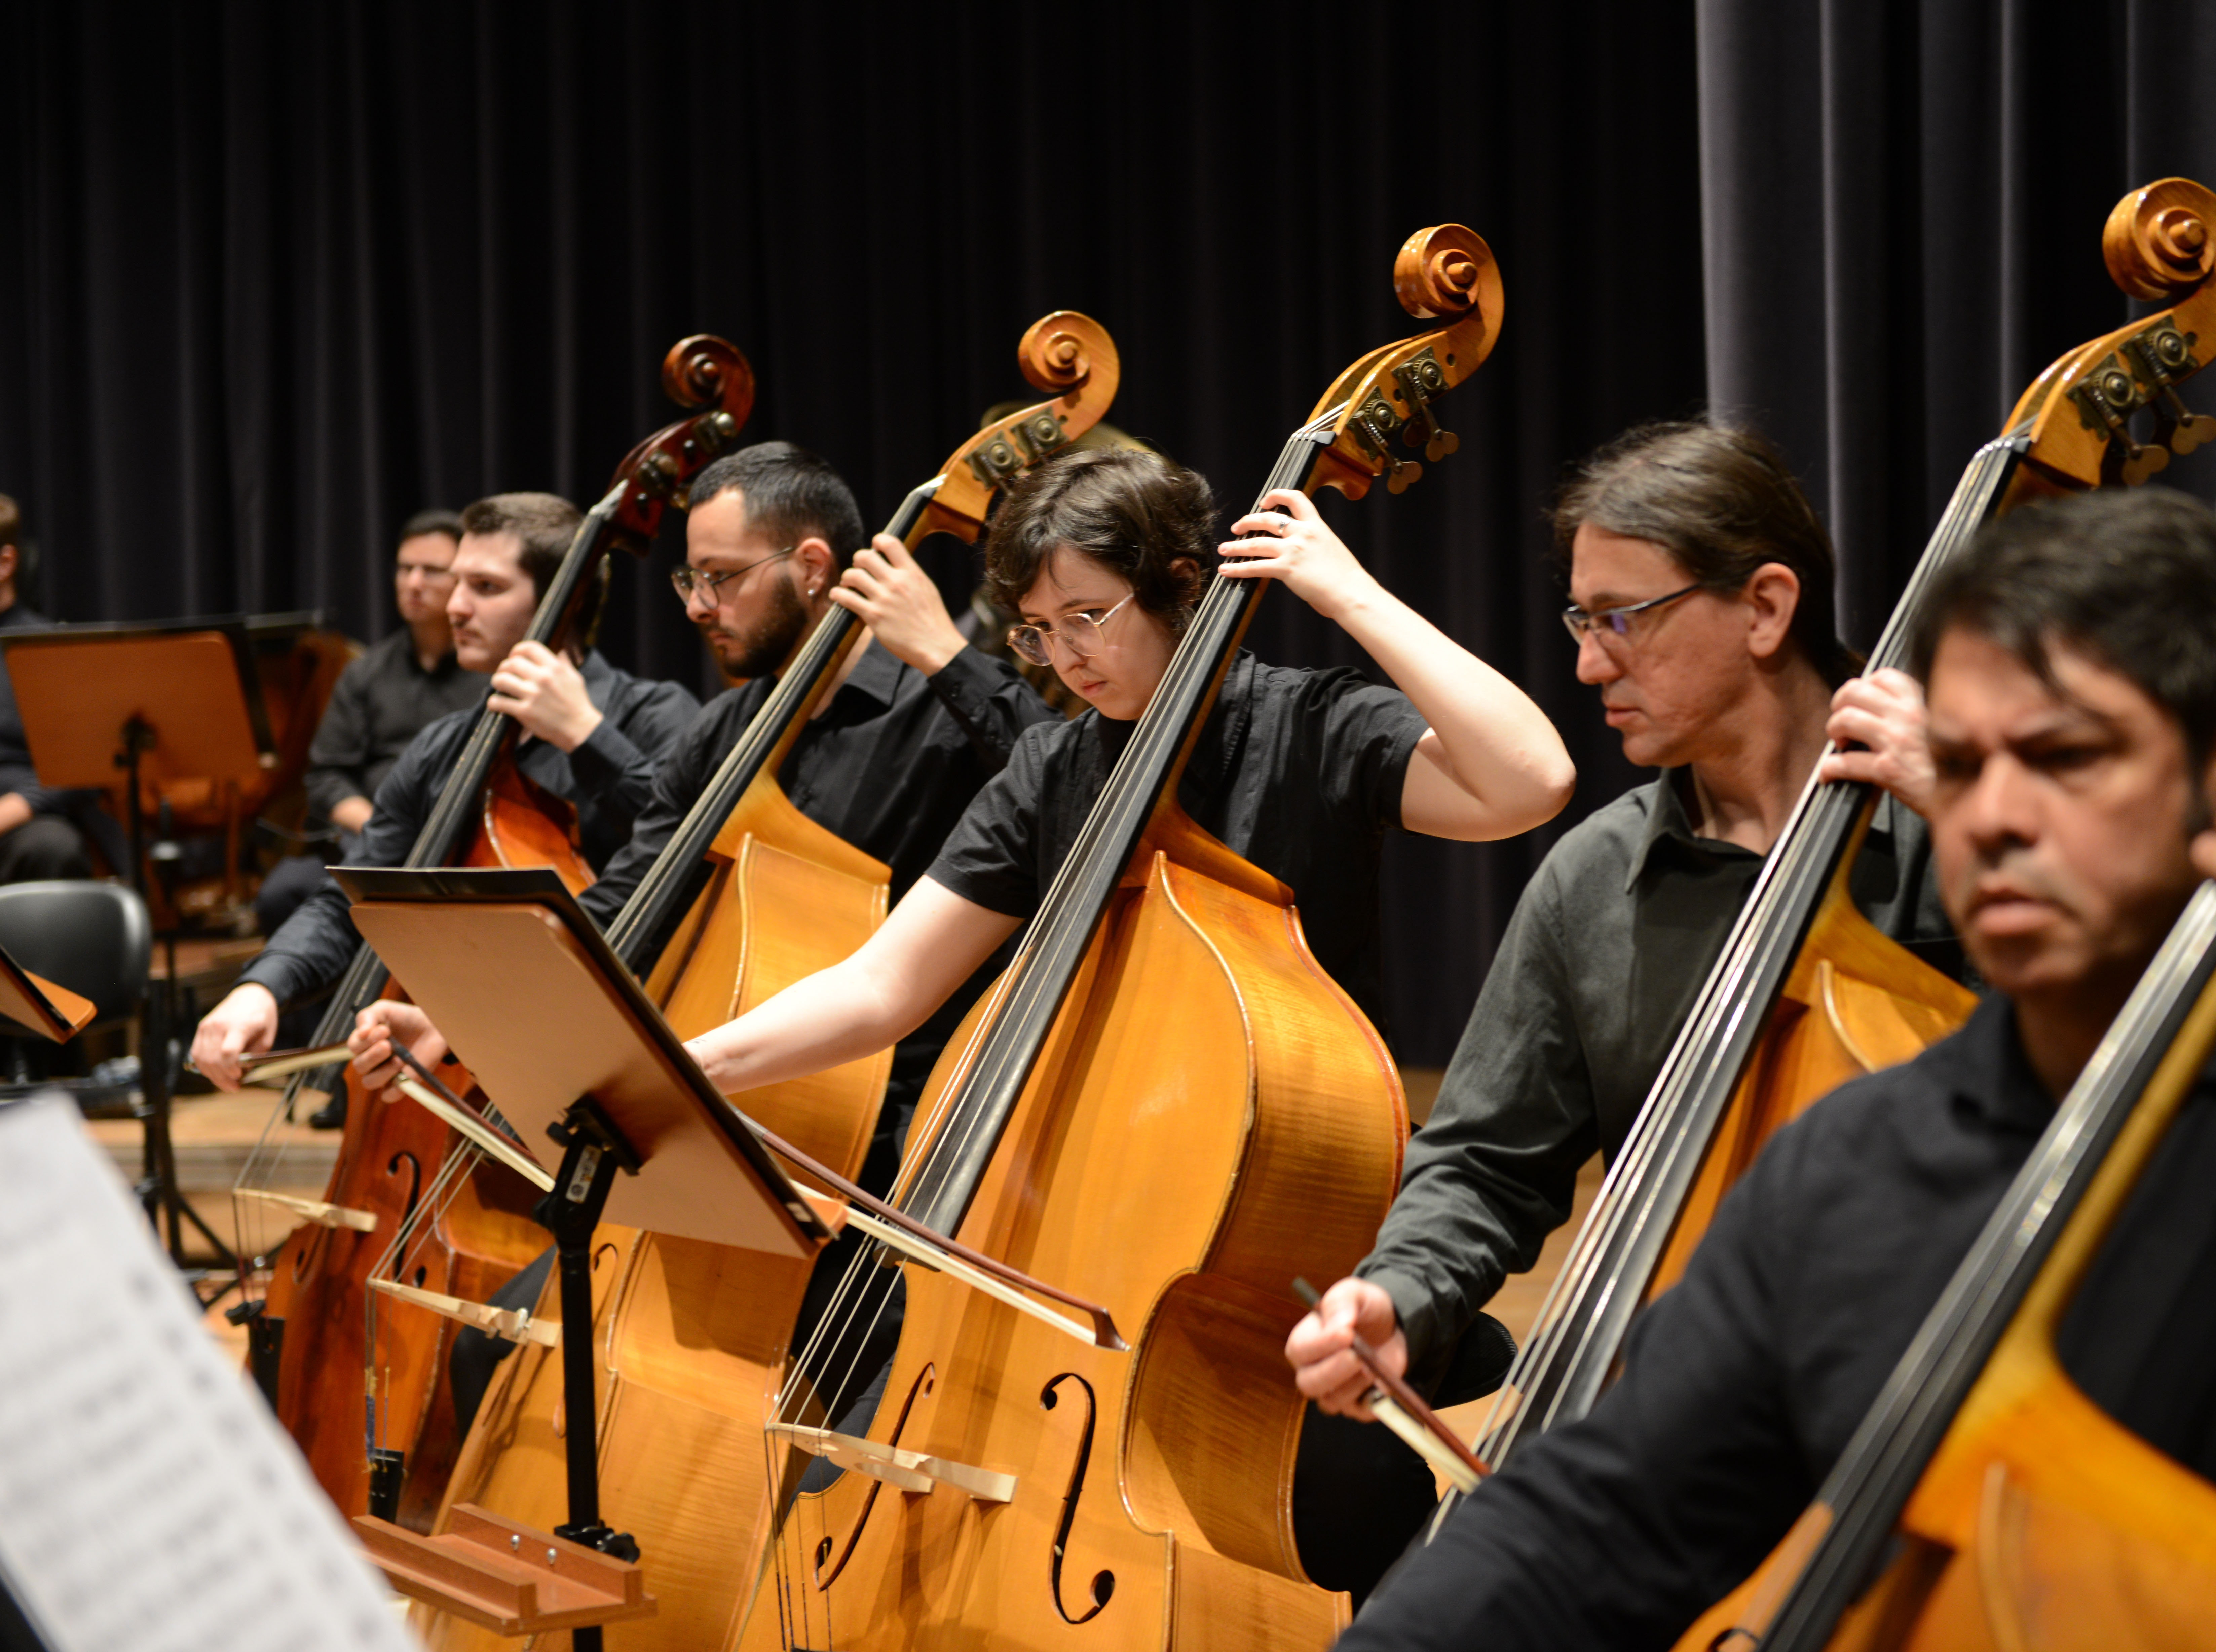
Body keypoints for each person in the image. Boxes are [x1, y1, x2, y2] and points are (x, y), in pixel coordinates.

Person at [1340, 488, 2216, 1645]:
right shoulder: (1855, 1163)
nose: (1995, 819)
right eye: (1968, 764)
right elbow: (1595, 1517)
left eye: (2066, 756)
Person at [682, 446, 1578, 1598]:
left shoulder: (1313, 729)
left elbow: (1532, 779)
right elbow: (882, 987)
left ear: (1183, 588)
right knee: (828, 1526)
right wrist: (682, 1066)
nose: (1065, 658)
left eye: (1090, 617)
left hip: (1253, 1277)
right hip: (1064, 1255)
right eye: (1039, 632)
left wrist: (1344, 590)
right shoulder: (1055, 767)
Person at [344, 442, 1063, 1428]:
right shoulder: (721, 735)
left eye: (721, 577)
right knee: (495, 1356)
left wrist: (945, 656)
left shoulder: (943, 717)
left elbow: (1074, 802)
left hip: (888, 1159)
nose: (694, 602)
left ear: (812, 568)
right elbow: (623, 911)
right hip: (715, 1135)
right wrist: (458, 1018)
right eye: (691, 575)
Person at [1286, 422, 1957, 1431]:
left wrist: (1976, 808)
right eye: (1578, 622)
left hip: (1935, 1384)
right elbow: (1483, 1160)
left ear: (1765, 608)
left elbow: (2164, 1013)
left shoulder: (1963, 821)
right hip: (1667, 1400)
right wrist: (1397, 1297)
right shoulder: (1592, 879)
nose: (1589, 666)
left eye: (1621, 620)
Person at [187, 491, 700, 1103]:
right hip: (452, 1073)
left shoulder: (655, 716)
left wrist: (585, 738)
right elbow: (353, 897)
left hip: (609, 1073)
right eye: (457, 583)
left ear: (566, 600)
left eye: (485, 587)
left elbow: (687, 855)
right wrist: (262, 988)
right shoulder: (443, 748)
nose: (454, 606)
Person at [253, 509, 485, 932]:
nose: (414, 583)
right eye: (405, 569)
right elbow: (327, 775)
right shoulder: (365, 672)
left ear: (462, 583)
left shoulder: (492, 669)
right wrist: (382, 826)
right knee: (281, 894)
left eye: (432, 571)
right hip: (374, 841)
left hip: (463, 849)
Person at [0, 493, 116, 883]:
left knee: (54, 849)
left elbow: (80, 766)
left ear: (6, 562)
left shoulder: (47, 647)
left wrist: (12, 809)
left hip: (22, 820)